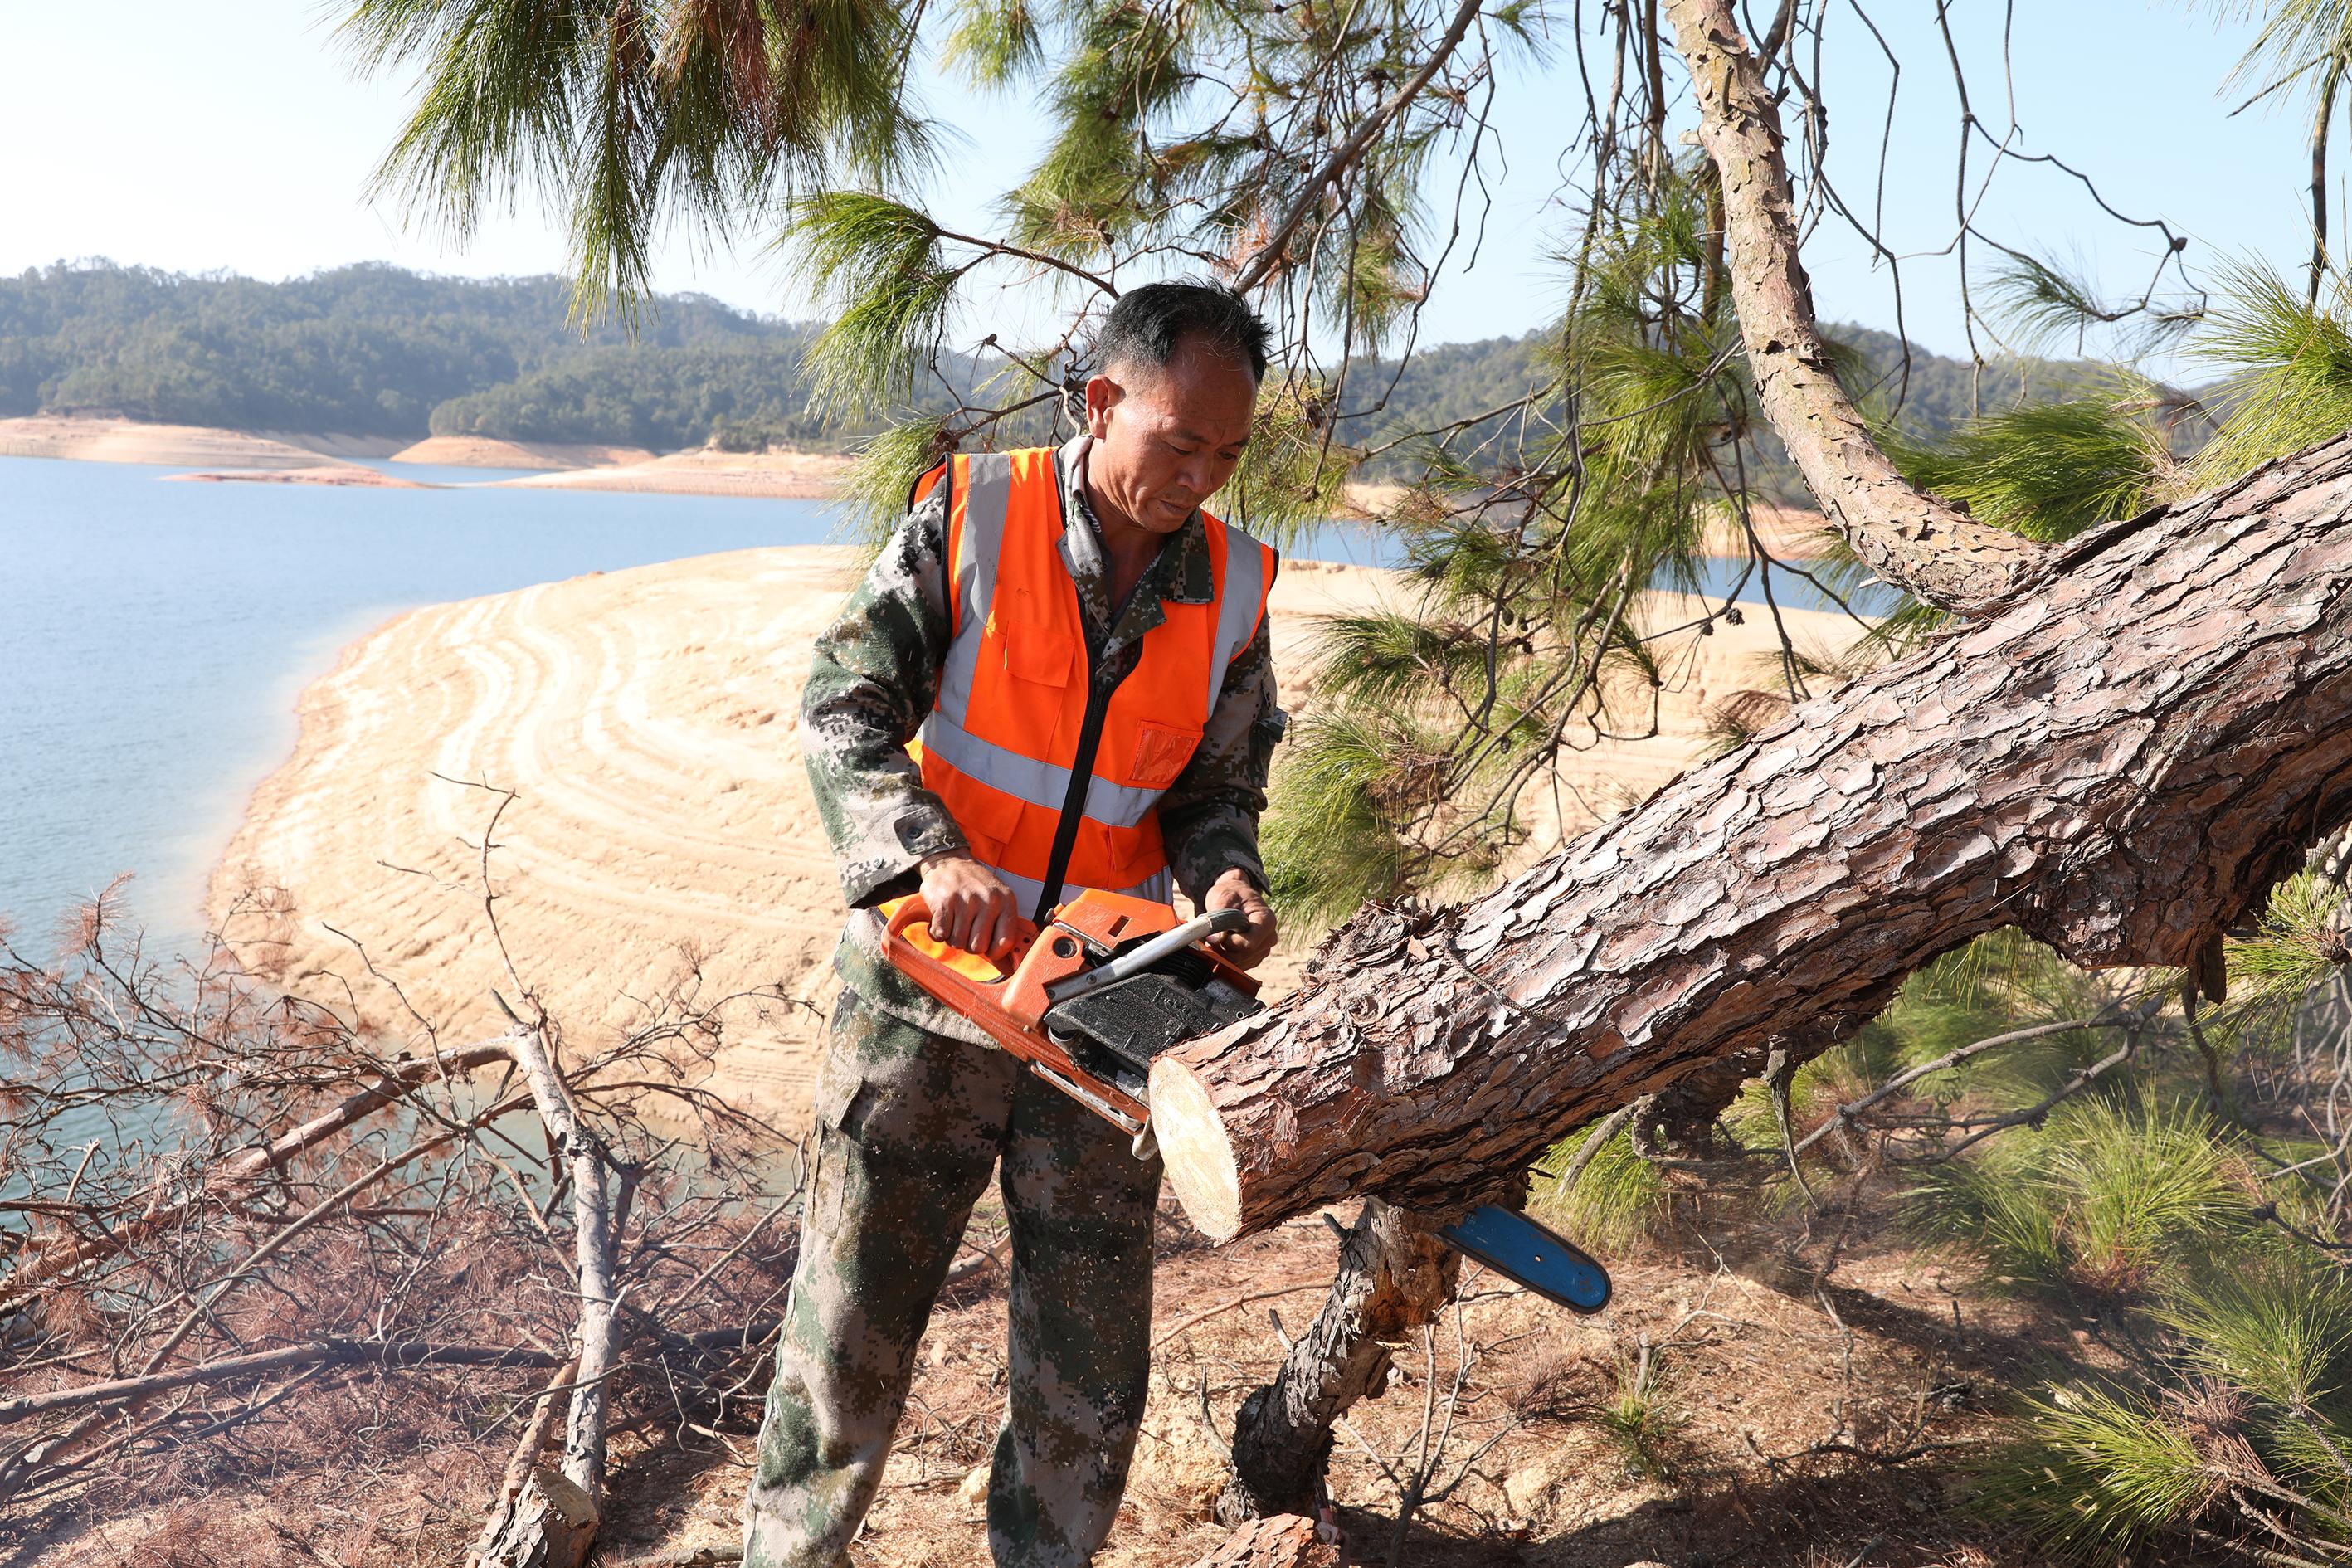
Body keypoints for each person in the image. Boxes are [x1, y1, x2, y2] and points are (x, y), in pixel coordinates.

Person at [745, 280, 1288, 1567]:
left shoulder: (1234, 587)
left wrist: (1226, 884)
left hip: (1105, 1016)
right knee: (846, 1340)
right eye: (1180, 442)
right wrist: (926, 855)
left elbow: (1215, 793)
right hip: (925, 1000)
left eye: (1227, 454)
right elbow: (843, 703)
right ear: (1101, 403)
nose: (1201, 477)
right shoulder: (974, 515)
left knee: (1086, 1373)